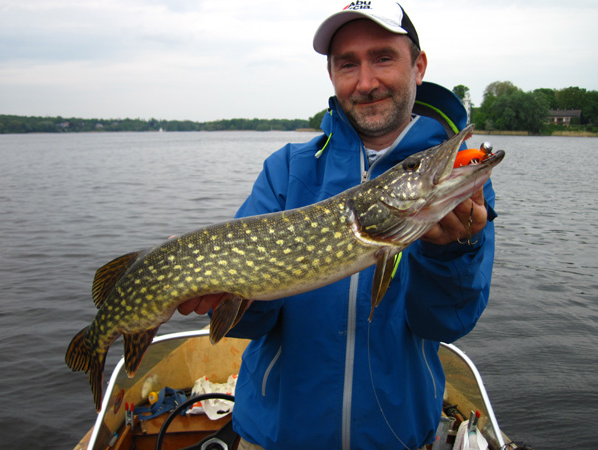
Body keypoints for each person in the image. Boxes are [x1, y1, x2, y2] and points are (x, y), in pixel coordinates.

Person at [178, 1, 497, 449]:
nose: (366, 82)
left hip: (395, 439)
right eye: (348, 64)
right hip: (275, 438)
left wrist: (449, 254)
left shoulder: (454, 188)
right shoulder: (287, 171)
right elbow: (253, 323)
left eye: (383, 57)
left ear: (418, 66)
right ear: (332, 75)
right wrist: (228, 301)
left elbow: (447, 322)